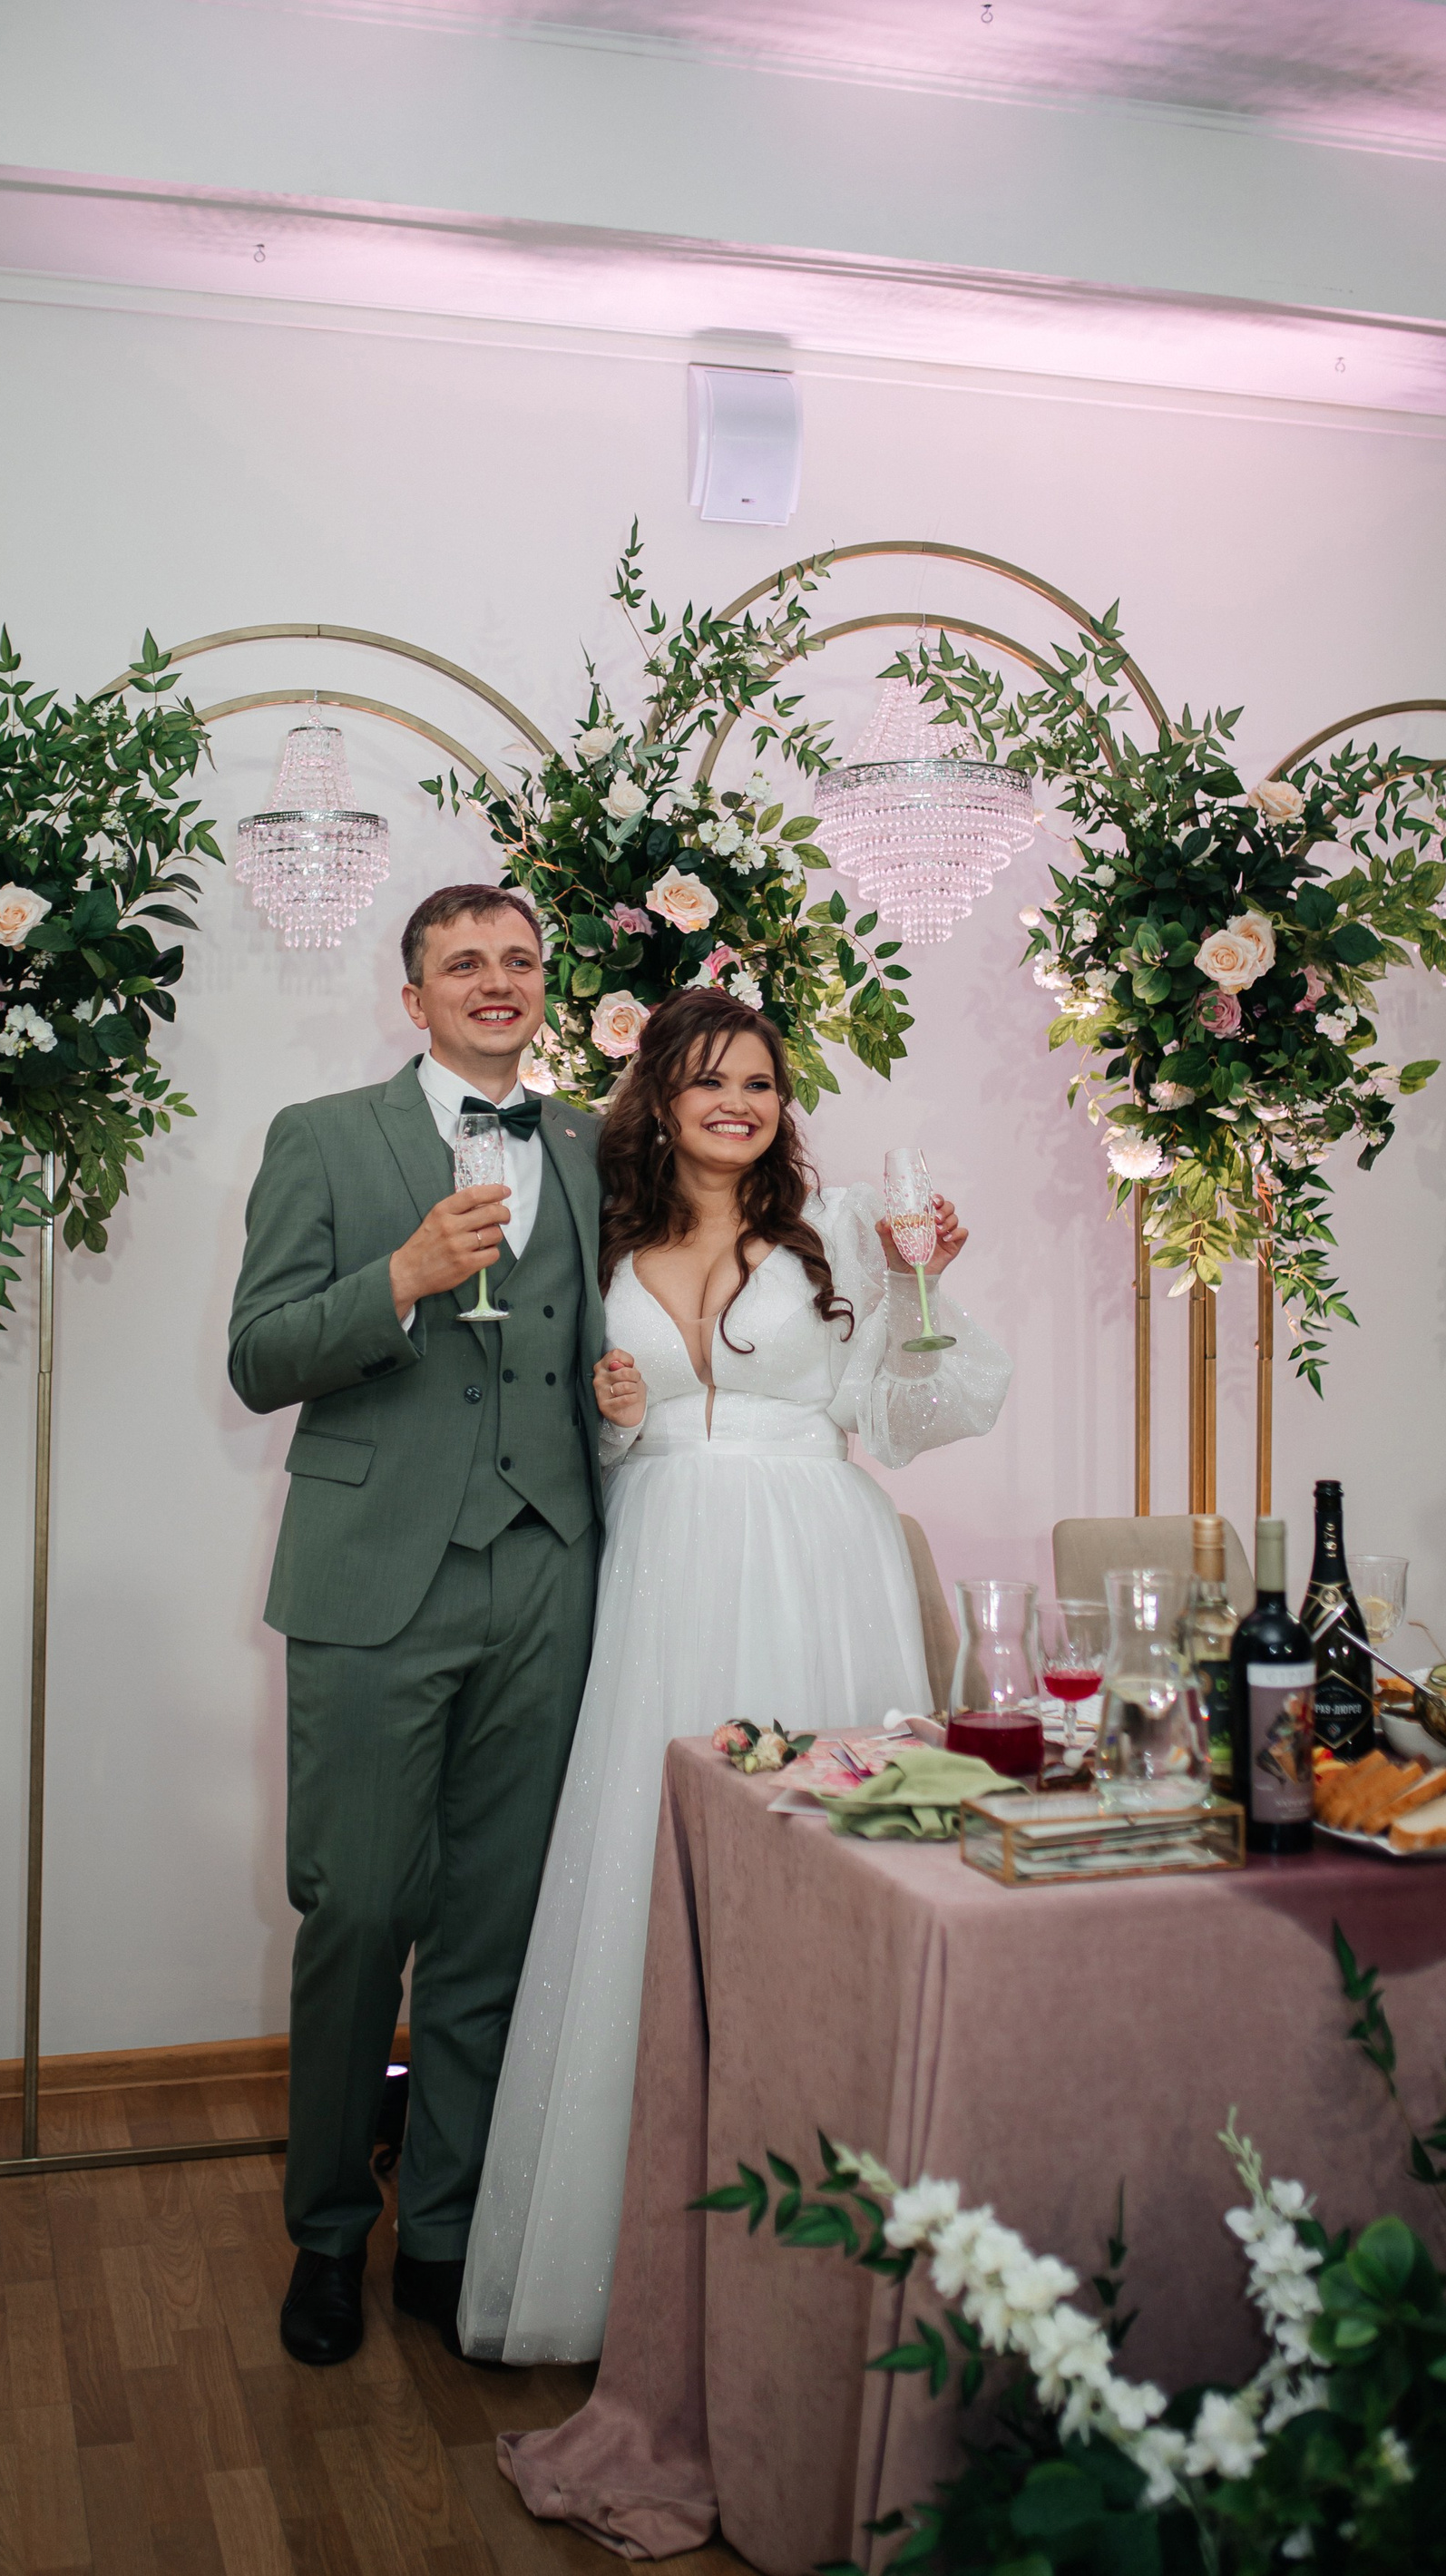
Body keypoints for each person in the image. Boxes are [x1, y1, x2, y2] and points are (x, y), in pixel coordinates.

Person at [456, 988, 1011, 2365]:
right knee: (652, 1864)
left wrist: (925, 1289)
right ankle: (636, 2265)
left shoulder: (842, 1231)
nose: (737, 1103)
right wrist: (613, 1420)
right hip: (662, 1565)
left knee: (834, 1861)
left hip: (821, 1562)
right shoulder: (598, 1234)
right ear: (660, 1095)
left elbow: (912, 1410)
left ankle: (850, 2250)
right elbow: (577, 1440)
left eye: (759, 1083)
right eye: (709, 1079)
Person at [227, 883, 606, 2368]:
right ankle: (327, 2233)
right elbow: (260, 1357)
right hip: (376, 1577)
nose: (495, 981)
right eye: (463, 963)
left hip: (550, 1570)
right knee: (361, 1910)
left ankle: (446, 2234)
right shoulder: (323, 1137)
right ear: (416, 997)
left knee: (494, 1926)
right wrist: (400, 1277)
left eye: (518, 959)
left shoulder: (592, 1145)